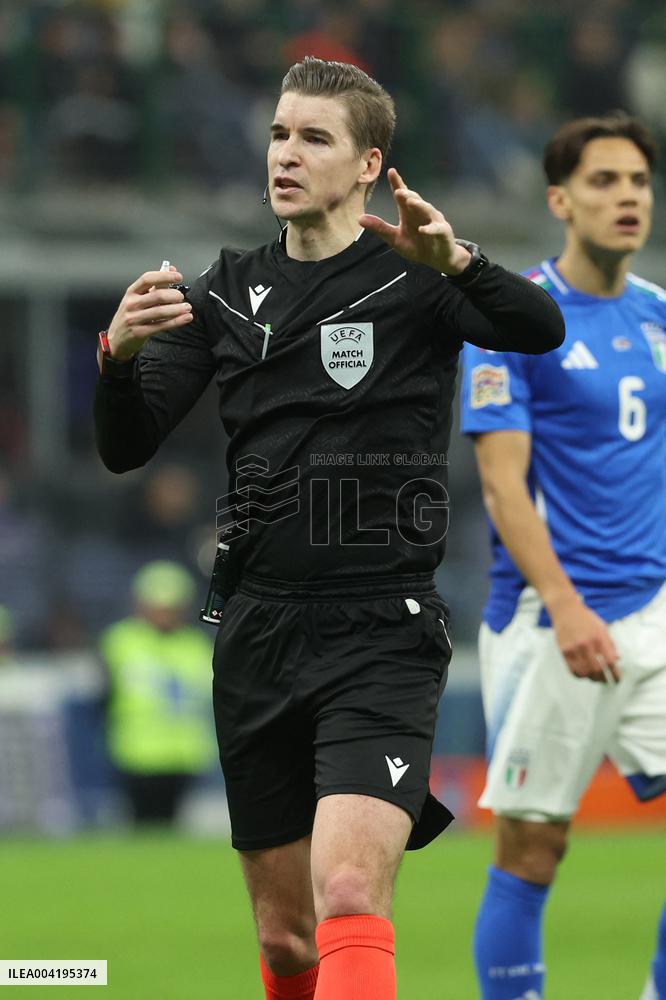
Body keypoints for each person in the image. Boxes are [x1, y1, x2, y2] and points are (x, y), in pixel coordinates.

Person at [94, 57, 563, 1000]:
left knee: (350, 886)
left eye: (314, 138)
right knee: (286, 940)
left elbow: (540, 325)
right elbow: (126, 445)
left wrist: (460, 259)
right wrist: (118, 355)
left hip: (380, 628)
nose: (287, 154)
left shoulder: (417, 278)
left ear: (367, 165)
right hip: (259, 632)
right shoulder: (223, 292)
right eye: (278, 133)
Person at [461, 111, 666, 1000]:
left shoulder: (663, 316)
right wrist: (570, 605)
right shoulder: (516, 321)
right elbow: (504, 489)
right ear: (560, 200)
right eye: (603, 182)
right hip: (553, 622)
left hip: (653, 612)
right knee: (533, 845)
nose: (626, 199)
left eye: (638, 182)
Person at [100, 561, 216, 824]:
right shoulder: (120, 640)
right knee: (141, 824)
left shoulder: (195, 644)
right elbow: (104, 696)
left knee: (172, 826)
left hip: (184, 751)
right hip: (136, 751)